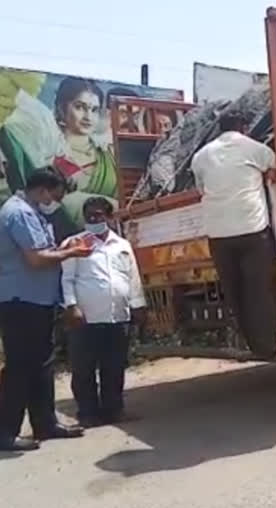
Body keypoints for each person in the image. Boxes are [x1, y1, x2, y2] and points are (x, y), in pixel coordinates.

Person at [0, 168, 91, 452]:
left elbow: (44, 249)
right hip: (20, 302)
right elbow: (37, 260)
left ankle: (45, 423)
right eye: (55, 196)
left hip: (36, 301)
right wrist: (72, 253)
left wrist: (63, 247)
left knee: (41, 364)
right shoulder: (20, 213)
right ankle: (5, 432)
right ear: (41, 191)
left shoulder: (32, 212)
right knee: (20, 367)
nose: (56, 202)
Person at [191, 112, 276, 362]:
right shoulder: (253, 148)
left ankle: (243, 342)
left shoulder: (201, 156)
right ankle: (266, 346)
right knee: (257, 292)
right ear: (243, 127)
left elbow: (201, 189)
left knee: (234, 292)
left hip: (218, 235)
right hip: (252, 231)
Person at [0, 72, 119, 238]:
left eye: (94, 110)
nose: (88, 116)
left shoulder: (108, 153)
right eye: (79, 107)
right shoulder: (46, 147)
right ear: (62, 108)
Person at [61, 197, 146, 427]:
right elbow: (66, 279)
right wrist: (72, 307)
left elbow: (132, 277)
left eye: (98, 215)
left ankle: (114, 410)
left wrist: (137, 305)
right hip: (85, 318)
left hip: (117, 316)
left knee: (114, 367)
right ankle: (87, 413)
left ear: (108, 217)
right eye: (89, 215)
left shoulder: (122, 245)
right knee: (83, 369)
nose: (94, 219)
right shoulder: (75, 244)